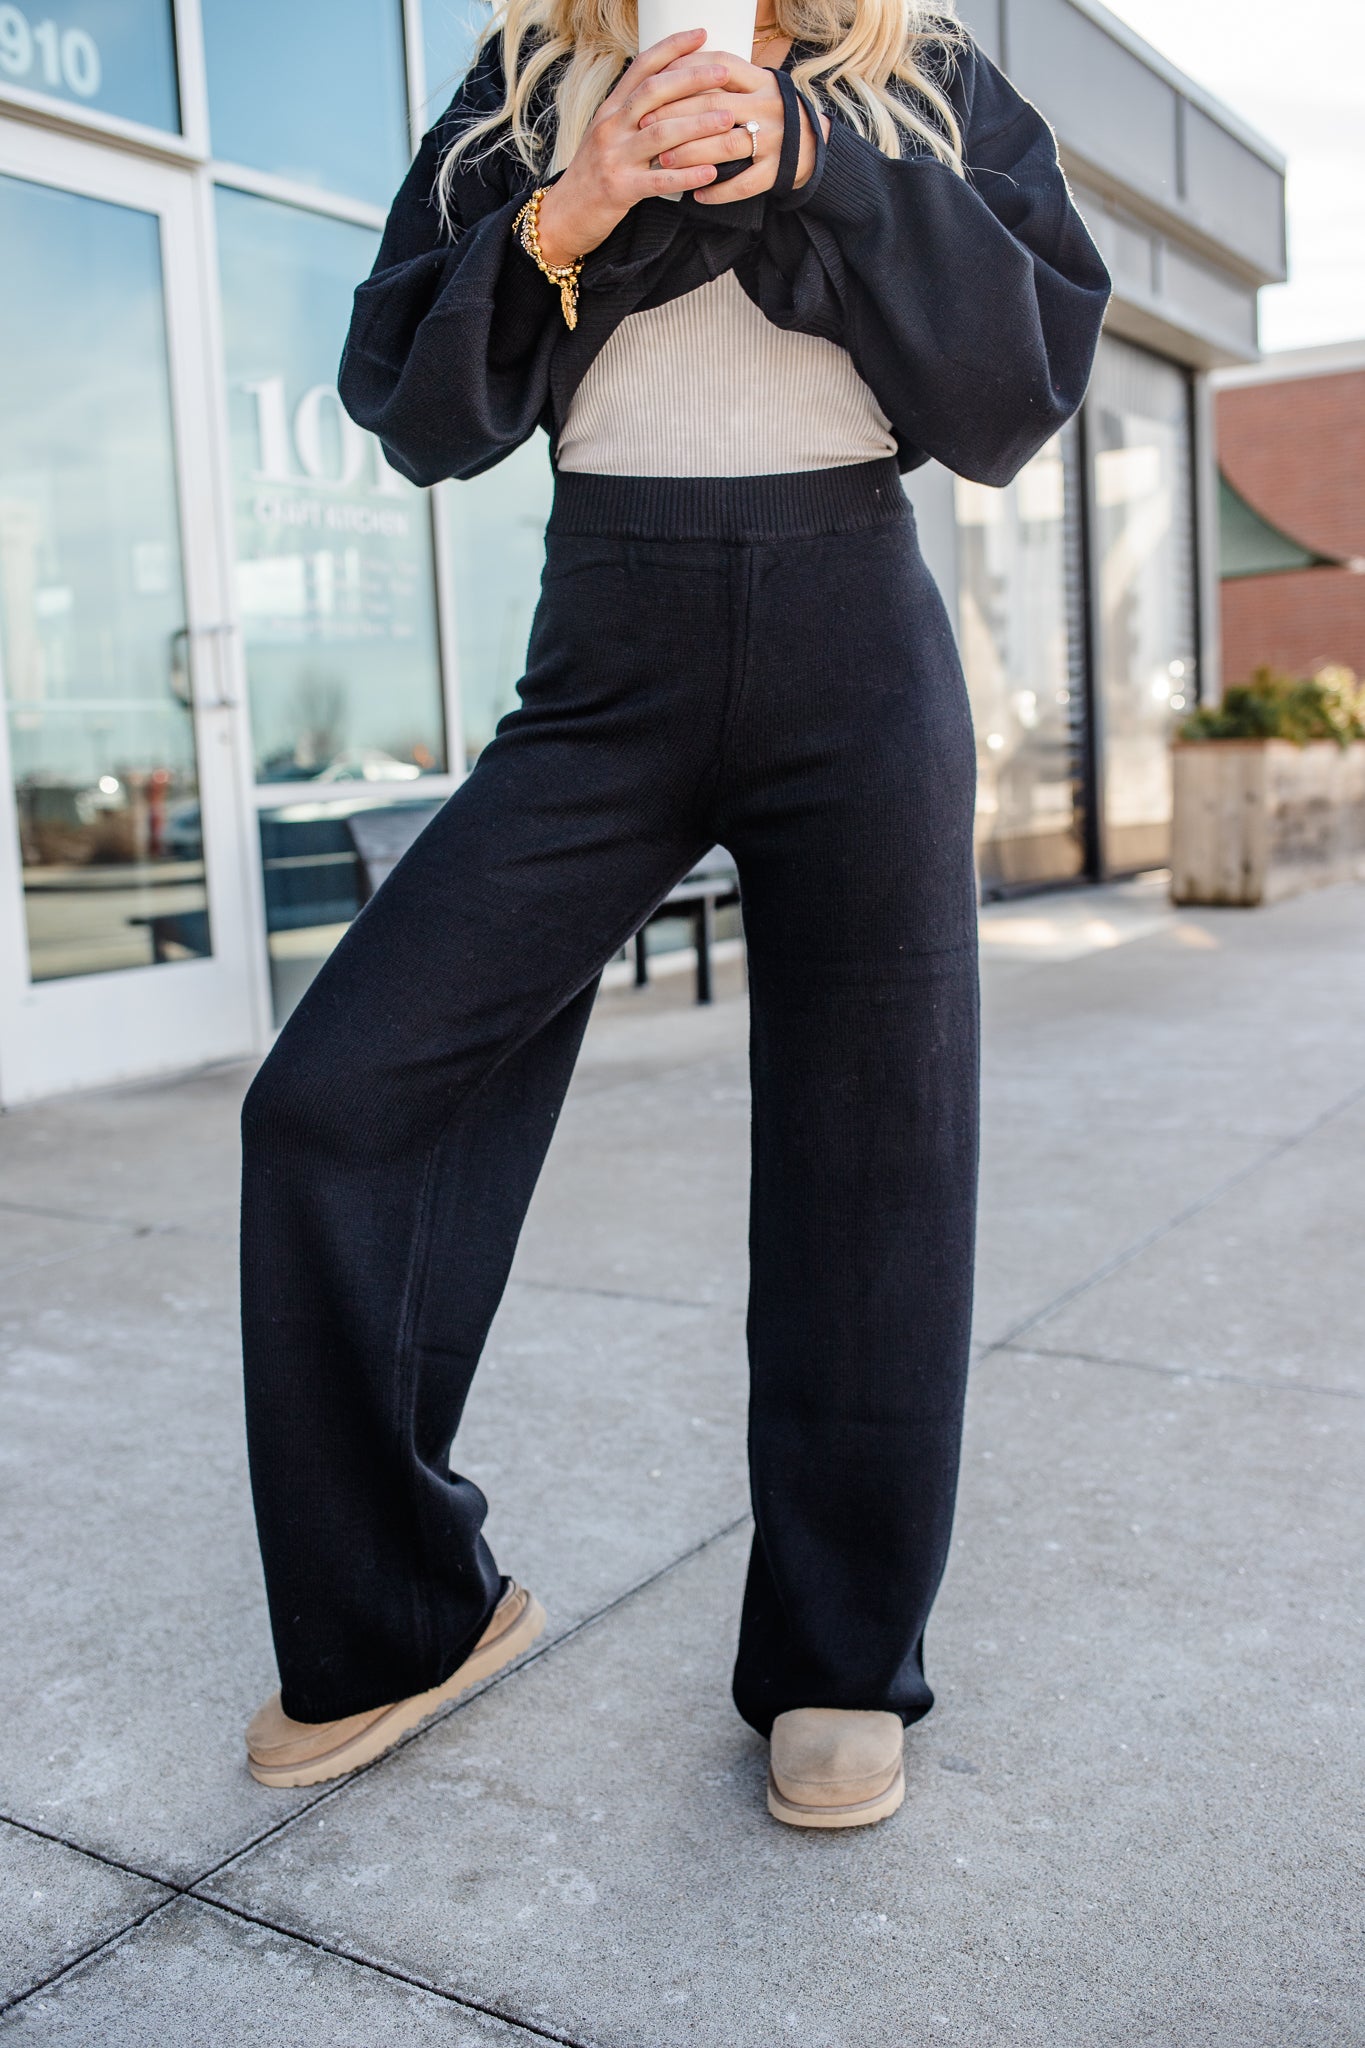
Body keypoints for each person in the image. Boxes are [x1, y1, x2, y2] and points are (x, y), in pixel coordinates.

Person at [239, 0, 1109, 1828]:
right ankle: (403, 1610)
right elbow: (414, 415)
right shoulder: (521, 87)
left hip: (854, 639)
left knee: (872, 1168)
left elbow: (1015, 391)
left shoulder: (919, 80)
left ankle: (836, 1665)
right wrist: (568, 212)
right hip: (603, 652)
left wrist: (815, 160)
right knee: (333, 1102)